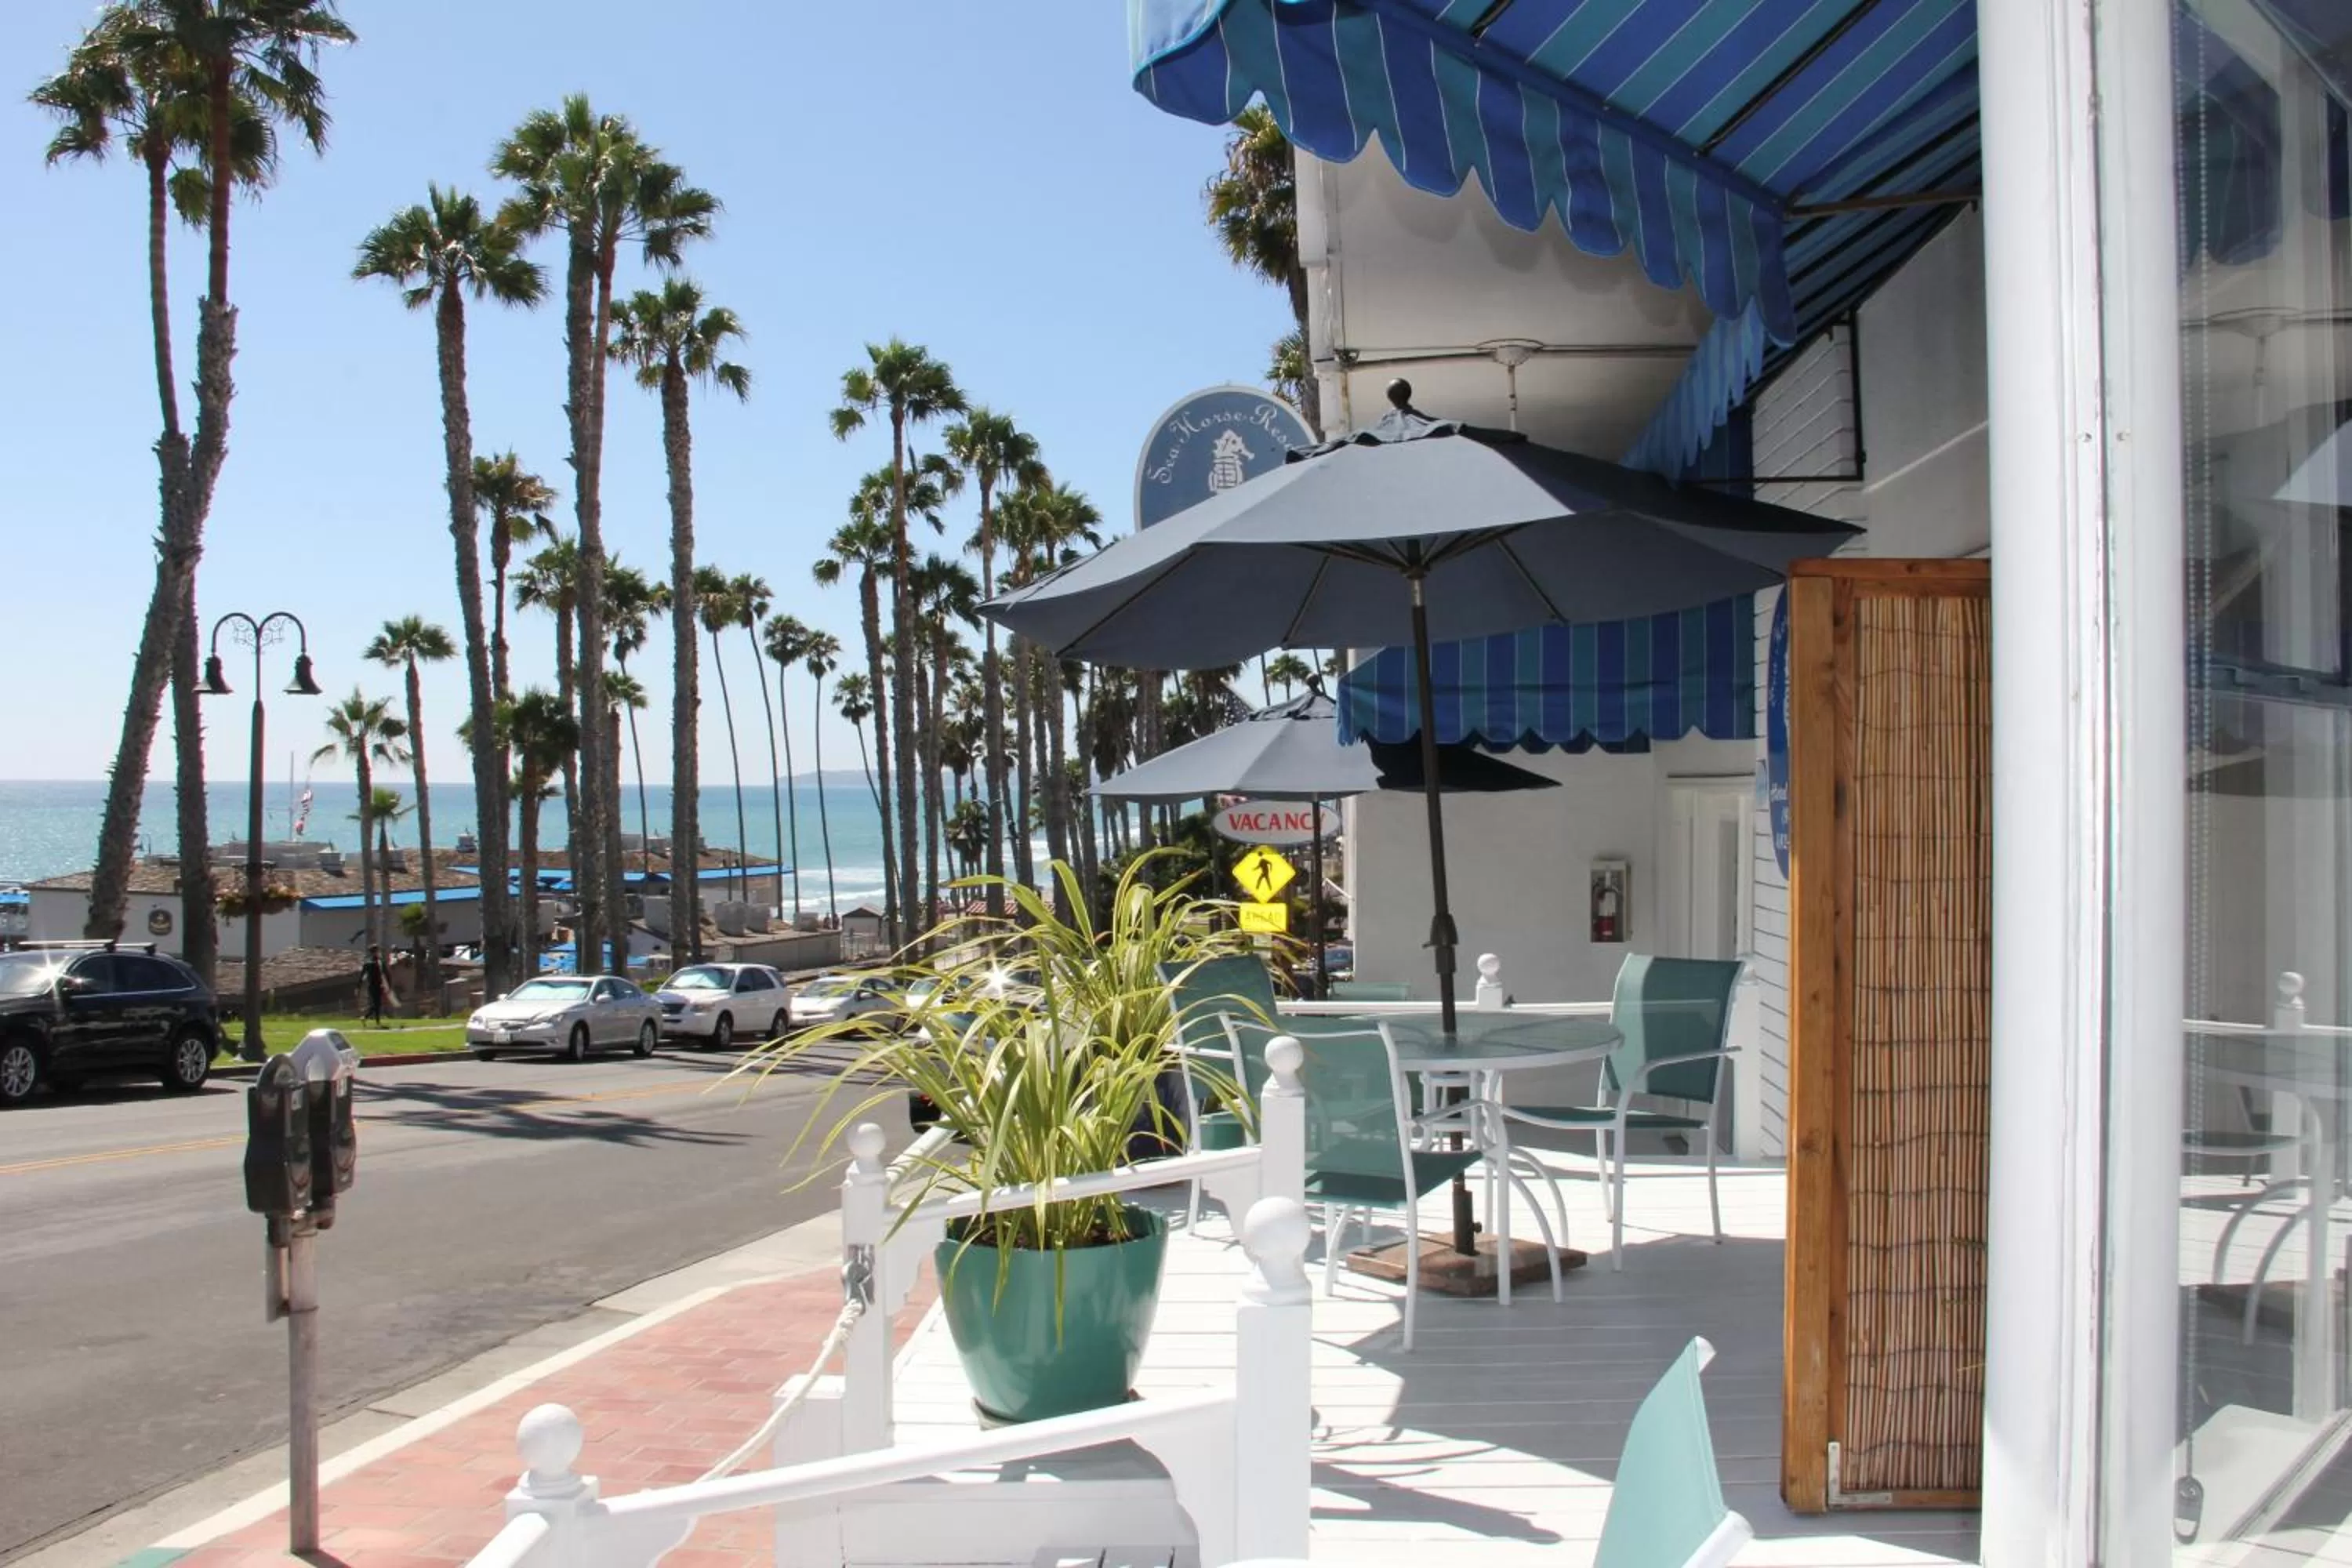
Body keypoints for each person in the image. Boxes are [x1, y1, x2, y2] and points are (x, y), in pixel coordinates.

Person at [360, 945, 390, 1025]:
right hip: (372, 986)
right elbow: (362, 975)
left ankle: (371, 1020)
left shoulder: (380, 961)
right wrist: (358, 987)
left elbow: (385, 973)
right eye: (377, 951)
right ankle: (371, 1019)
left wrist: (387, 984)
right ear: (375, 952)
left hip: (379, 985)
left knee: (378, 1004)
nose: (378, 952)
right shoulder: (369, 963)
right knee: (376, 1004)